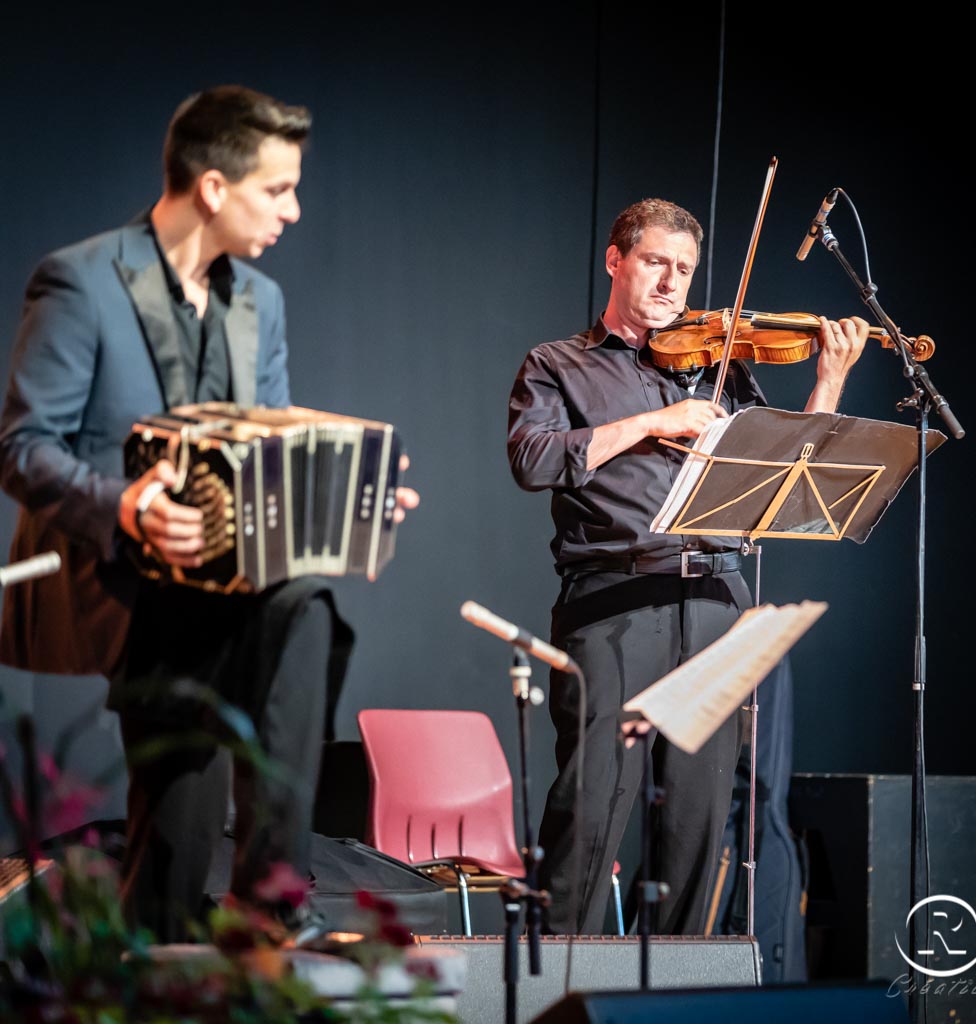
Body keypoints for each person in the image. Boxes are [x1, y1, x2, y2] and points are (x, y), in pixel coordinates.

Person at [0, 85, 419, 943]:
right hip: (124, 584)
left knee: (308, 612)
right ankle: (172, 935)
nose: (295, 210)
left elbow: (272, 446)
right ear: (215, 188)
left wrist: (351, 500)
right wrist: (127, 505)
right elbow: (21, 447)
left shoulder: (260, 301)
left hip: (228, 592)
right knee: (174, 853)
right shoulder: (81, 280)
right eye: (279, 189)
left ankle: (270, 903)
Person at [506, 197, 867, 936]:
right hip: (614, 602)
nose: (672, 284)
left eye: (685, 270)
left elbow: (783, 479)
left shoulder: (721, 367)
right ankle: (548, 989)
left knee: (699, 824)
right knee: (592, 806)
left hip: (714, 601)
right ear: (616, 260)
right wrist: (650, 422)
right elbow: (534, 459)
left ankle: (669, 992)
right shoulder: (557, 364)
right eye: (655, 264)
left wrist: (829, 380)